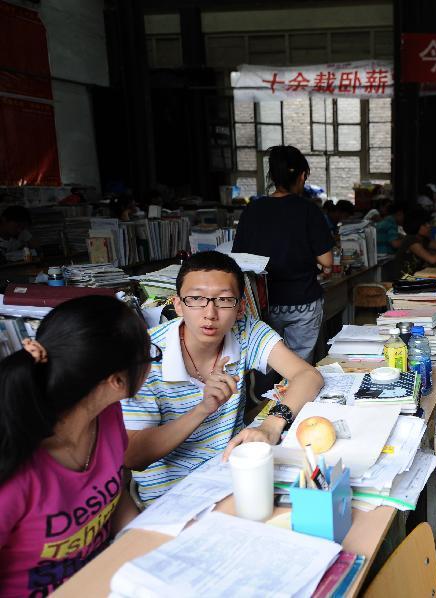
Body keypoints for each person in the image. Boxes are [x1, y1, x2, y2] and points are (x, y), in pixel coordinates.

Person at [123, 251, 325, 504]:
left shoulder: (246, 330)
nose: (210, 313)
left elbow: (308, 376)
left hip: (234, 474)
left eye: (224, 300)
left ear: (241, 307)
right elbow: (133, 457)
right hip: (172, 496)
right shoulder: (144, 356)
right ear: (178, 305)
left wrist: (271, 426)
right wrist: (203, 409)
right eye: (196, 298)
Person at [0, 296, 150, 594]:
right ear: (117, 381)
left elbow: (114, 494)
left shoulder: (107, 415)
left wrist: (147, 541)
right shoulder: (14, 466)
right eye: (150, 356)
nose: (151, 364)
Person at [233, 146, 334, 363]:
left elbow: (239, 259)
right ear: (302, 175)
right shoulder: (308, 210)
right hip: (303, 301)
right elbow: (327, 260)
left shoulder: (252, 211)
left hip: (262, 304)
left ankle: (269, 397)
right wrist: (323, 268)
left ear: (273, 175)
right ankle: (295, 395)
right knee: (298, 366)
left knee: (267, 364)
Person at [395, 207, 436, 277]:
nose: (429, 226)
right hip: (402, 280)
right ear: (415, 225)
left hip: (415, 277)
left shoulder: (423, 239)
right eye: (425, 224)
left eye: (428, 223)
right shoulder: (410, 240)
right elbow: (432, 260)